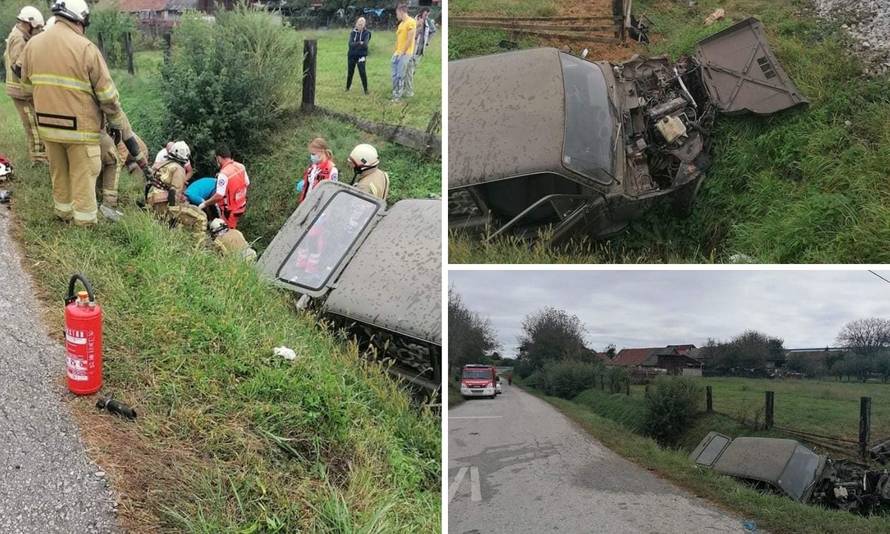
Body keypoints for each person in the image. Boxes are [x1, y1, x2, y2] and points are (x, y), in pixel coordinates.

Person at [20, 0, 146, 226]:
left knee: (59, 175)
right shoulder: (86, 48)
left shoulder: (32, 45)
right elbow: (108, 97)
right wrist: (117, 123)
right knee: (83, 178)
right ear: (80, 20)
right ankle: (85, 227)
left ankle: (63, 216)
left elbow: (27, 90)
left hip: (47, 128)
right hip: (80, 132)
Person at [4, 6, 46, 163]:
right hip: (20, 91)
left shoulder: (17, 34)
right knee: (33, 124)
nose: (38, 31)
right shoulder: (19, 39)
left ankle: (40, 155)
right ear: (29, 23)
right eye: (37, 28)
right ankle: (38, 160)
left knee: (33, 122)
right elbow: (18, 66)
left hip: (20, 89)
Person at [199, 146, 249, 229]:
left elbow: (219, 195)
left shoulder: (223, 174)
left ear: (218, 158)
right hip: (241, 206)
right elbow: (247, 183)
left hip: (230, 211)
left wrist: (204, 204)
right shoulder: (241, 166)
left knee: (227, 232)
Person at [404, 8, 436, 98]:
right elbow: (412, 36)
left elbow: (433, 31)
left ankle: (404, 87)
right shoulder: (413, 21)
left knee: (412, 71)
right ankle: (408, 91)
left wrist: (427, 42)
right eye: (425, 15)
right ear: (421, 13)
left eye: (428, 15)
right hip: (412, 49)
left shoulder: (428, 22)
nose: (427, 17)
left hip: (420, 50)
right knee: (409, 71)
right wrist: (418, 27)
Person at [297, 137, 338, 203]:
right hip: (306, 203)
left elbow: (331, 192)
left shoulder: (332, 170)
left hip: (318, 206)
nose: (311, 156)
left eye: (313, 154)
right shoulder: (313, 166)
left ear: (321, 151)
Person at [391, 4, 416, 102]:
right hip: (397, 52)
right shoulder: (401, 24)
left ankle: (397, 96)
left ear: (401, 12)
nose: (396, 15)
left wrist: (402, 52)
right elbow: (399, 39)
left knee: (400, 75)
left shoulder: (411, 22)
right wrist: (396, 51)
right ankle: (395, 91)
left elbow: (409, 39)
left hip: (405, 53)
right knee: (394, 74)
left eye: (397, 13)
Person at [346, 17, 371, 95]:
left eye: (361, 24)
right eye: (358, 24)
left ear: (364, 25)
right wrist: (359, 43)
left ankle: (366, 90)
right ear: (356, 24)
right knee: (350, 72)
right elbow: (350, 44)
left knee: (362, 72)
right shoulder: (353, 33)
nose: (359, 25)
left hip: (361, 56)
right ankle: (347, 88)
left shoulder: (367, 33)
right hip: (351, 55)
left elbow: (365, 45)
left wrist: (357, 44)